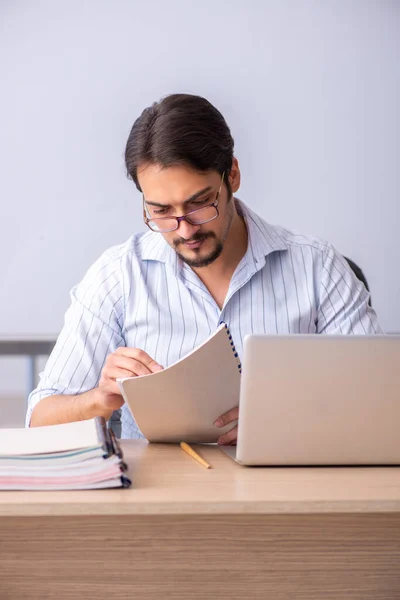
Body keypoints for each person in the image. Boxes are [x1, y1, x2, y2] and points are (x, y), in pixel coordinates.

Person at [27, 93, 381, 443]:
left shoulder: (319, 268)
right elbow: (40, 421)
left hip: (287, 492)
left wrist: (292, 419)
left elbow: (378, 404)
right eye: (161, 211)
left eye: (199, 203)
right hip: (160, 497)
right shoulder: (118, 275)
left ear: (234, 176)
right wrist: (98, 401)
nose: (184, 229)